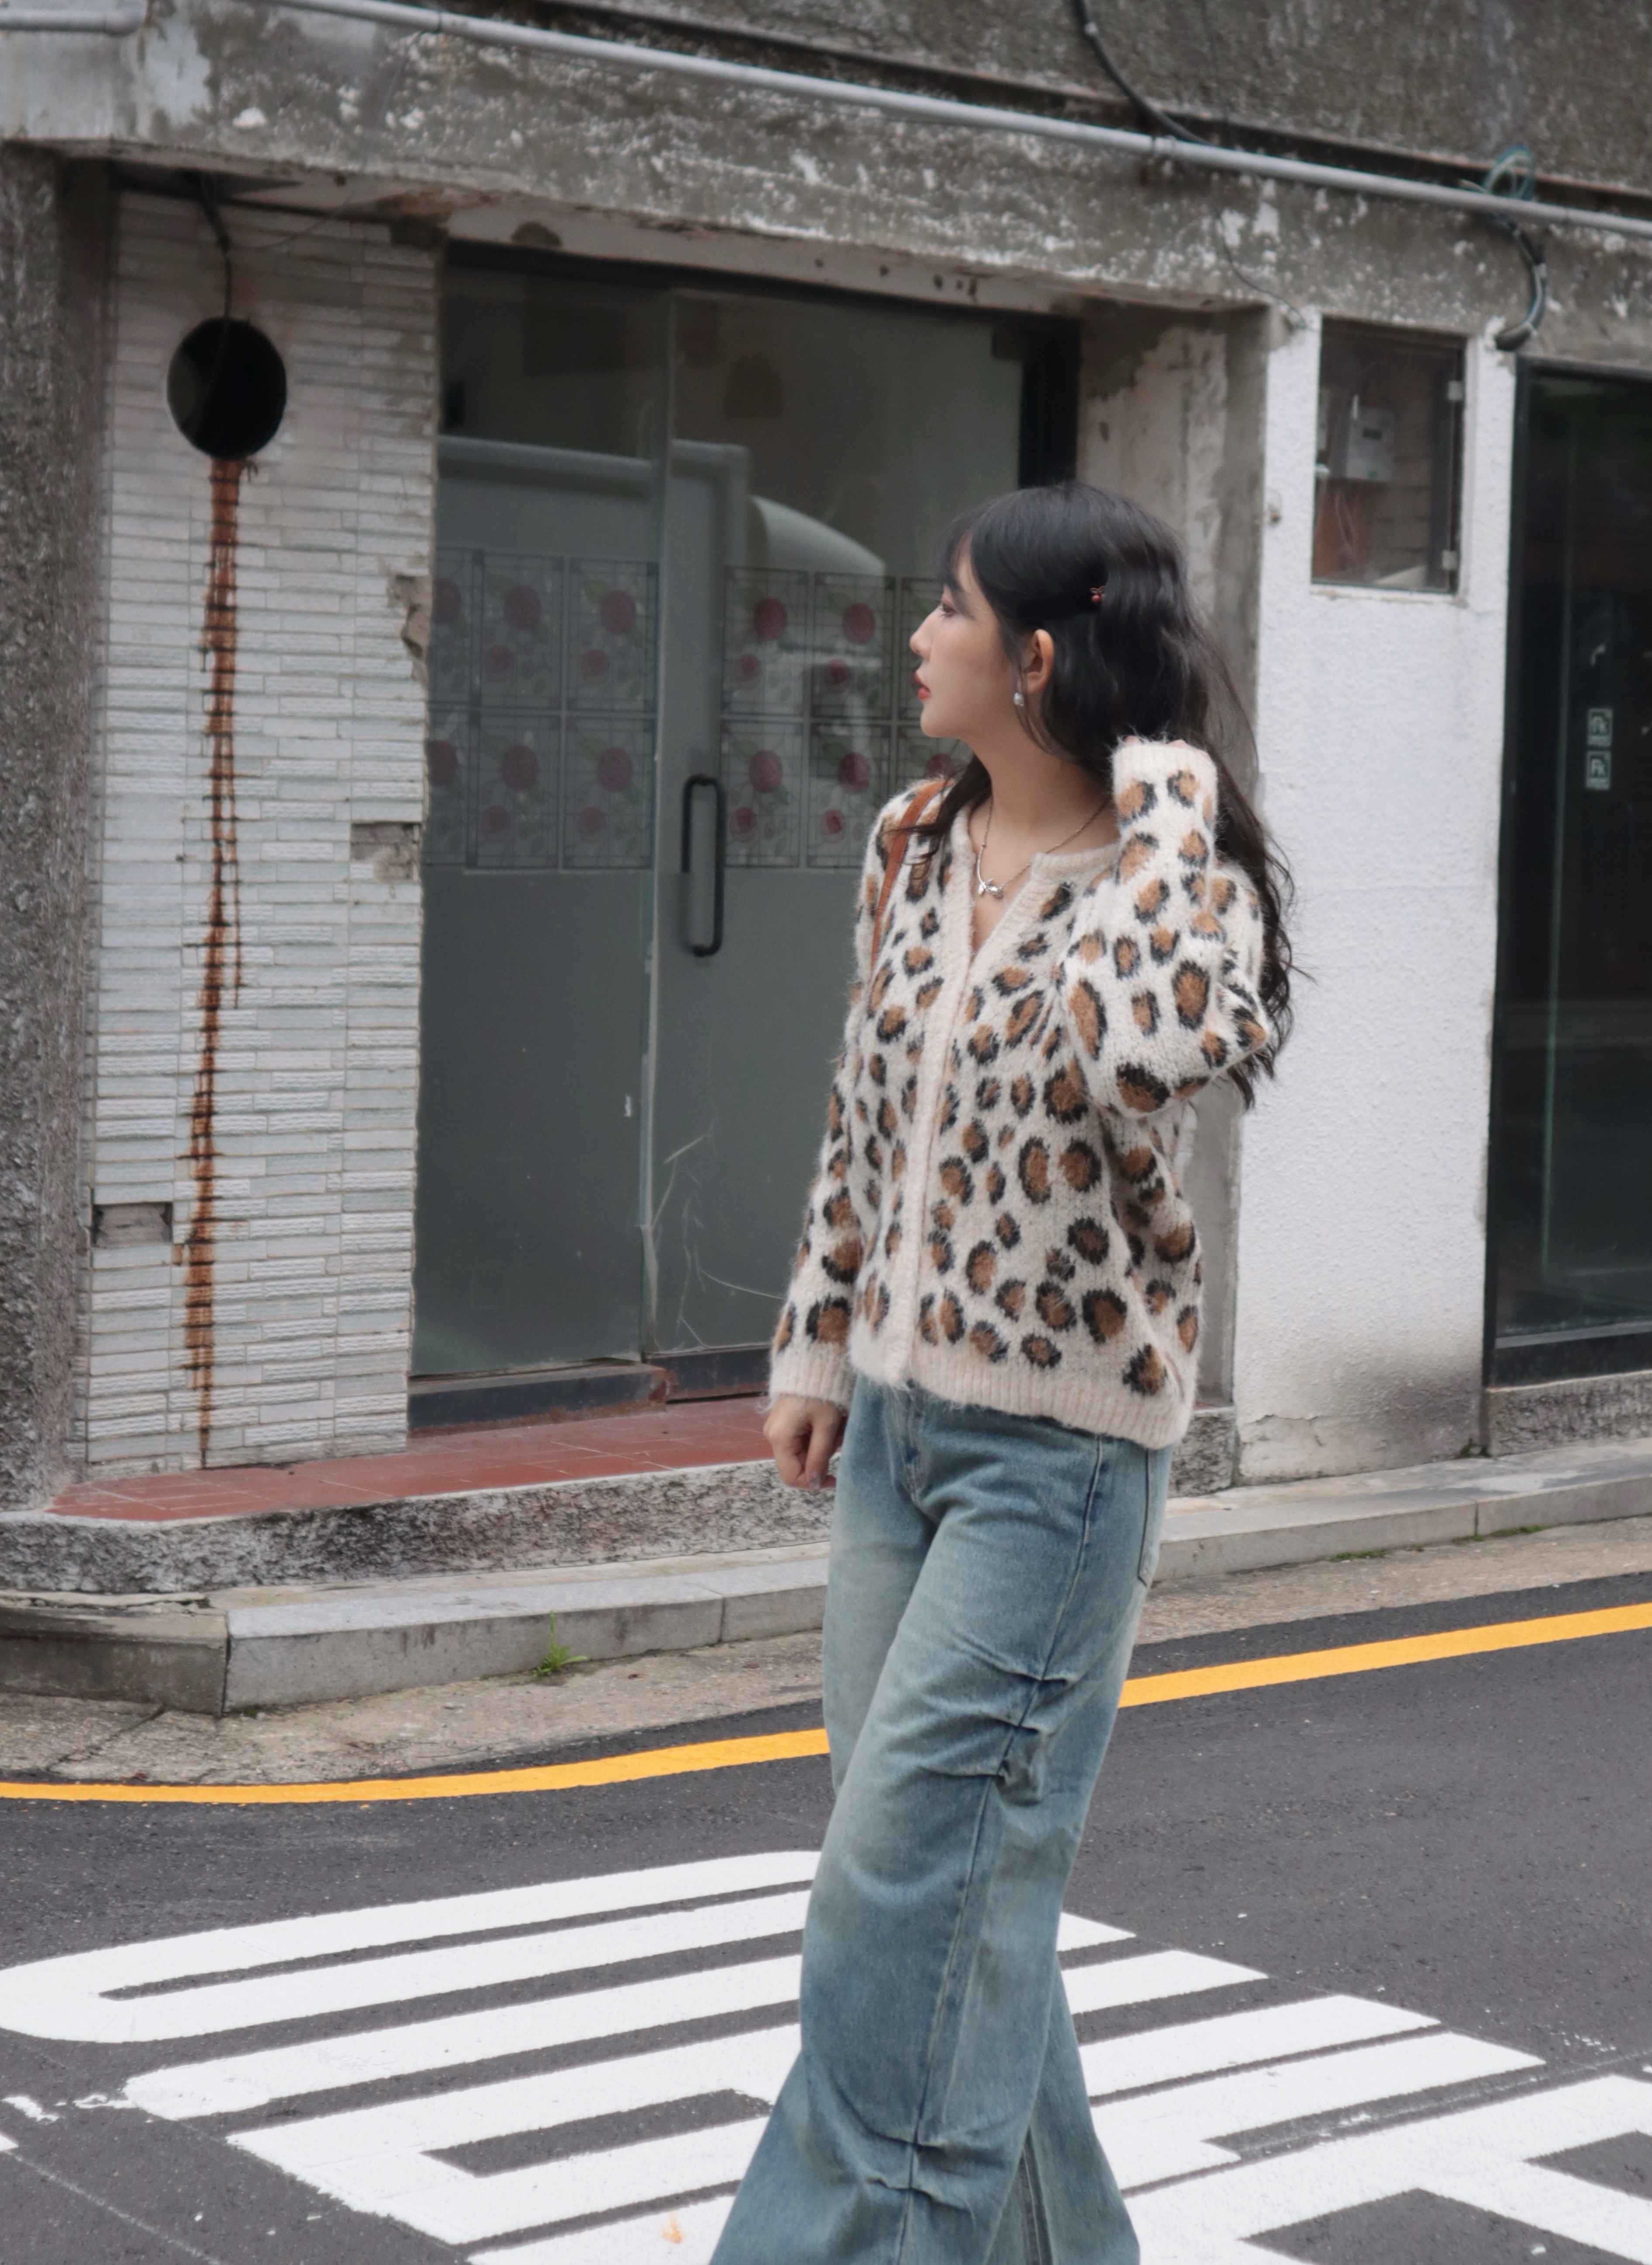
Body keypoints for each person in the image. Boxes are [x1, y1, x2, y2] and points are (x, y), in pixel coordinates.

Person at [715, 480, 1292, 2264]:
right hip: (896, 1439)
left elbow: (1149, 1049)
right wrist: (822, 1338)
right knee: (946, 1904)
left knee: (898, 1902)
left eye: (949, 608)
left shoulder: (1179, 890)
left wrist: (1167, 799)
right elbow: (862, 1112)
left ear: (1035, 658)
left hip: (1057, 1465)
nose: (916, 636)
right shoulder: (913, 838)